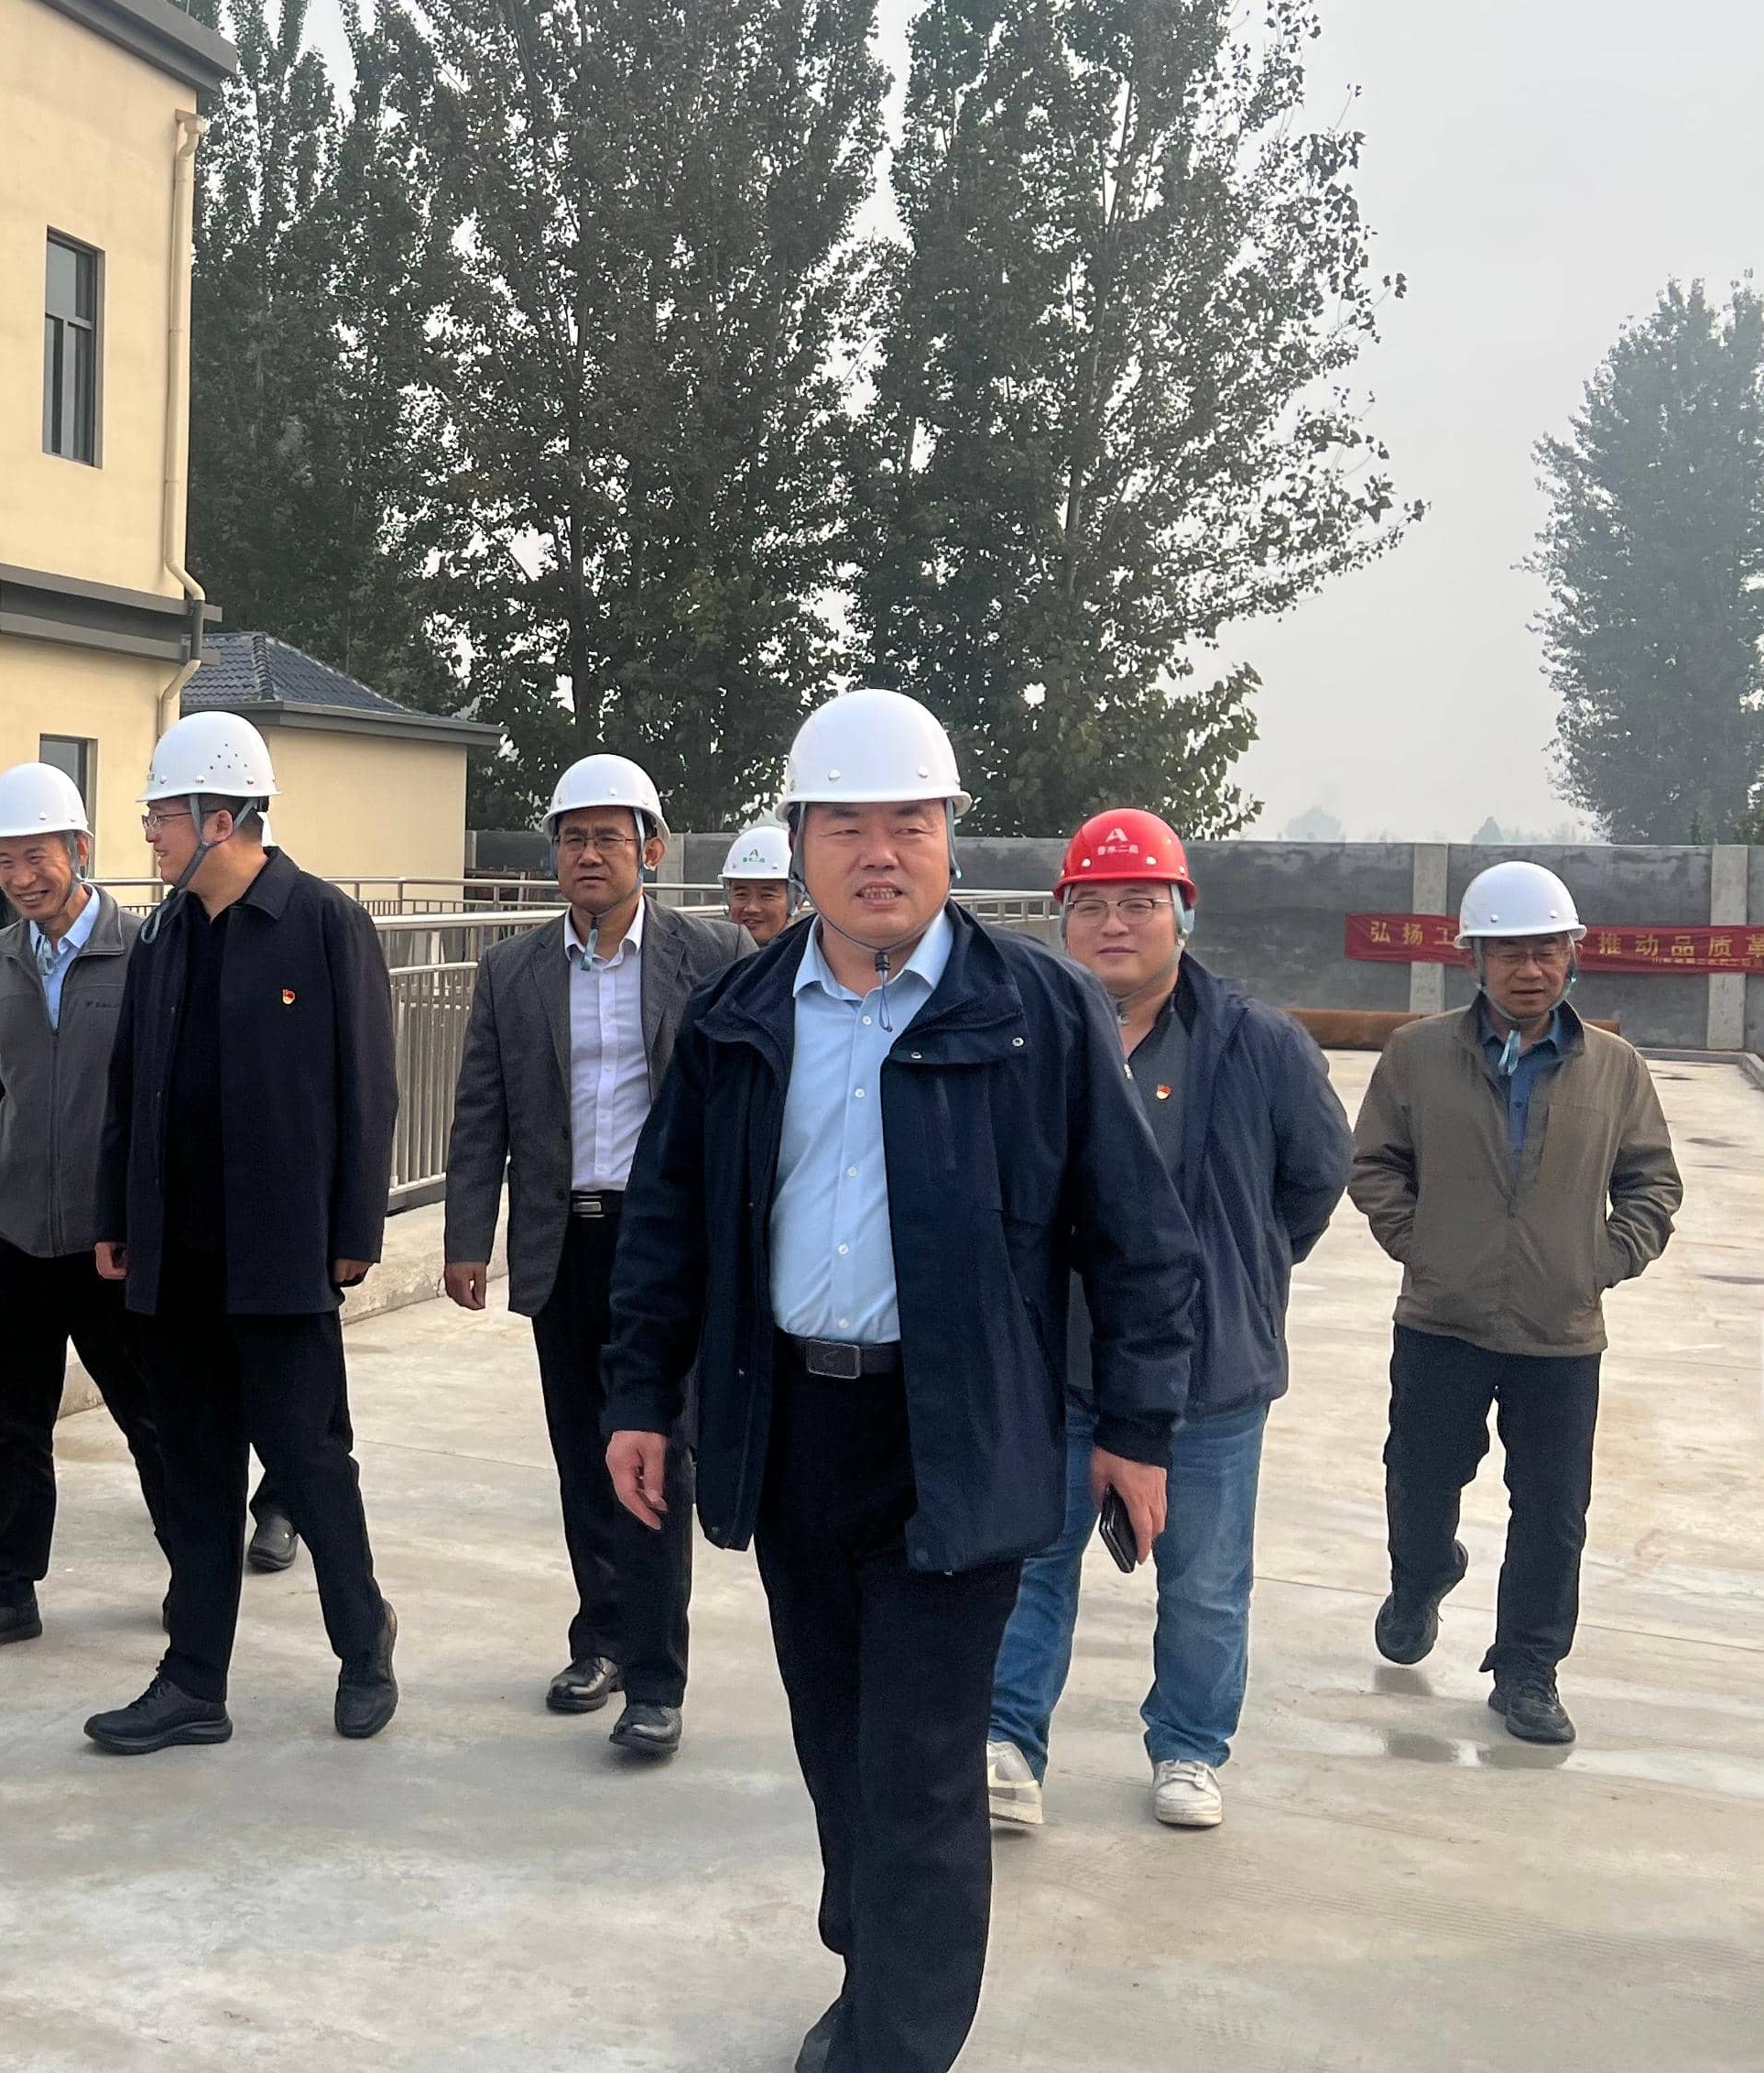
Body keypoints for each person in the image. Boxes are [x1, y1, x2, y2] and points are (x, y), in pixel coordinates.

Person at [600, 688, 1195, 2073]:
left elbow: (1137, 1239)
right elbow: (667, 1222)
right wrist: (640, 1395)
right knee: (836, 1740)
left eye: (910, 823)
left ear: (950, 838)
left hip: (956, 1437)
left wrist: (1137, 1426)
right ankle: (872, 1973)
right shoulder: (740, 1013)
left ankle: (899, 2042)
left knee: (923, 1765)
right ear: (800, 840)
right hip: (793, 1427)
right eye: (847, 825)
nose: (880, 852)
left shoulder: (1036, 1009)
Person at [984, 810, 1351, 1833]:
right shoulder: (1032, 1040)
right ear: (1063, 919)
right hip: (1060, 1362)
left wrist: (1240, 1273)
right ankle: (1007, 1741)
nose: (1115, 924)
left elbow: (1316, 1178)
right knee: (1031, 1561)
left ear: (1183, 914)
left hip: (1209, 1379)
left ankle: (1189, 1747)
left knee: (1204, 1582)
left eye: (1140, 902)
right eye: (1092, 904)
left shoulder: (1258, 1042)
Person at [84, 711, 399, 1754]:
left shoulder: (324, 923)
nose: (150, 835)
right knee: (196, 1472)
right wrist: (117, 1215)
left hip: (281, 1252)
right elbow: (128, 1087)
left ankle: (363, 1643)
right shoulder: (163, 935)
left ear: (221, 818)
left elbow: (369, 1087)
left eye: (163, 817)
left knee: (307, 1461)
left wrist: (354, 1226)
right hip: (177, 1257)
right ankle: (193, 1682)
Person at [442, 753, 748, 1756]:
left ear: (650, 850)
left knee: (657, 1450)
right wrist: (467, 1239)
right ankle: (602, 1638)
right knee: (582, 1453)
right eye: (572, 838)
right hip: (563, 1240)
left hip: (664, 1245)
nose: (588, 855)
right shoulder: (513, 969)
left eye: (608, 837)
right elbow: (481, 1112)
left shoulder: (712, 955)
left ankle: (656, 1679)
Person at [1349, 859, 1680, 1747]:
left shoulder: (1616, 1069)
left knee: (1552, 1512)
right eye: (1508, 953)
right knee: (1419, 1480)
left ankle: (1528, 1669)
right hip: (1441, 1320)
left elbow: (1652, 1182)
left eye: (1546, 951)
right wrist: (1423, 1246)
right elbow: (1374, 1162)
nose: (1529, 969)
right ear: (1475, 960)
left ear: (1574, 956)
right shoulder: (1418, 1054)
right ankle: (1421, 1578)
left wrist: (1599, 1260)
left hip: (1560, 1332)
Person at [0, 761, 176, 1656]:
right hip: (13, 1228)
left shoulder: (144, 952)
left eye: (38, 856)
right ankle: (6, 1589)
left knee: (151, 1415)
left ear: (81, 849)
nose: (23, 877)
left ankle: (196, 1570)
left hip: (113, 1238)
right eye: (5, 860)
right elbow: (0, 1082)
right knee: (11, 1421)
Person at [721, 823, 798, 949]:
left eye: (767, 895)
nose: (751, 908)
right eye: (741, 895)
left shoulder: (812, 958)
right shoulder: (710, 956)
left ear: (797, 901)